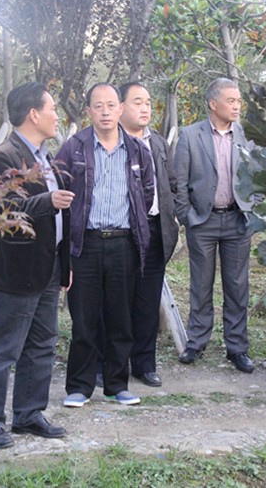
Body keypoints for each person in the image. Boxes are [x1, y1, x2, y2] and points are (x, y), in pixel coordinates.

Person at [0, 82, 73, 449]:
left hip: (49, 267)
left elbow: (60, 217)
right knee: (3, 349)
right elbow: (1, 212)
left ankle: (29, 414)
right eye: (52, 108)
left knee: (42, 345)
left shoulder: (47, 156)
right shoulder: (5, 157)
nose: (56, 115)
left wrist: (65, 263)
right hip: (17, 271)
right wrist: (48, 200)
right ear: (33, 114)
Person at [55, 82, 154, 407]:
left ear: (120, 109)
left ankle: (116, 385)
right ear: (89, 111)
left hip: (123, 244)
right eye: (98, 106)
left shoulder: (137, 150)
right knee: (84, 320)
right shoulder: (75, 148)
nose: (106, 112)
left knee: (120, 319)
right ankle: (79, 388)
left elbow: (146, 194)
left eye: (111, 105)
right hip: (85, 244)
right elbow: (59, 190)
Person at [175, 78, 254, 373]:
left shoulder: (247, 137)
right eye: (231, 100)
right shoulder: (190, 135)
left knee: (237, 286)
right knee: (200, 284)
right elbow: (179, 182)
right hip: (202, 221)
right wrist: (187, 216)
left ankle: (237, 348)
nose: (237, 106)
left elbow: (257, 177)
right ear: (213, 103)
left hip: (237, 220)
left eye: (238, 101)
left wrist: (252, 209)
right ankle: (196, 342)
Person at [118, 81, 178, 387]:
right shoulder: (111, 142)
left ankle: (144, 364)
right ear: (120, 107)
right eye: (137, 102)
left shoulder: (158, 143)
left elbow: (171, 183)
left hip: (155, 229)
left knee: (147, 300)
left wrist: (173, 215)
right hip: (121, 231)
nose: (145, 108)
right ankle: (113, 364)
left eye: (148, 103)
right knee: (117, 299)